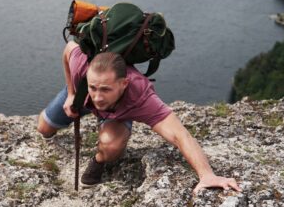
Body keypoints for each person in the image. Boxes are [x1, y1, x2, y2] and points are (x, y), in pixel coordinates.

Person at [37, 41, 242, 194]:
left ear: (124, 84)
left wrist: (207, 175)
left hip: (118, 113)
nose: (98, 97)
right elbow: (68, 48)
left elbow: (180, 135)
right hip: (80, 97)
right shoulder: (81, 65)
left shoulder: (140, 96)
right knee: (44, 129)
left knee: (110, 146)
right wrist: (73, 92)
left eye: (106, 89)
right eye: (94, 87)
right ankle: (86, 95)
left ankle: (98, 162)